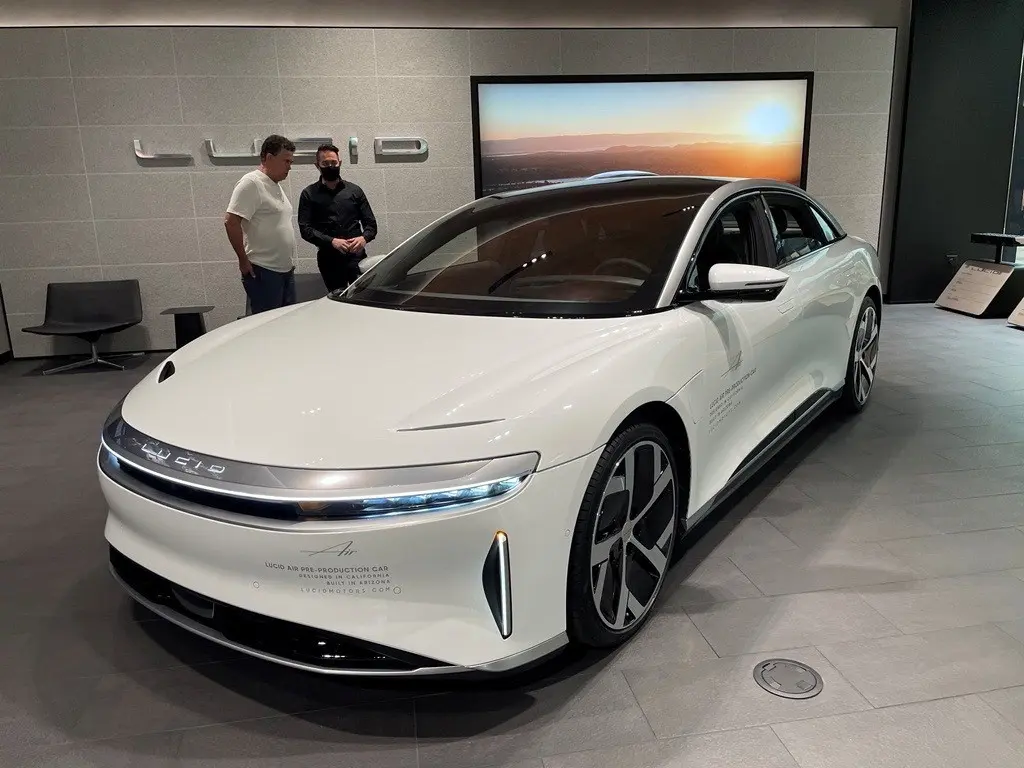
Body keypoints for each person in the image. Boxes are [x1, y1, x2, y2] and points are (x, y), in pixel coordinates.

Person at [224, 135, 297, 314]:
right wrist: (243, 260)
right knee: (268, 327)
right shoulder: (251, 183)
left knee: (287, 325)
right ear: (269, 158)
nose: (290, 166)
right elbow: (231, 222)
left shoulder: (275, 185)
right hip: (263, 271)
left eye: (291, 161)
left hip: (285, 269)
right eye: (286, 161)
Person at [297, 143, 379, 291]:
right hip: (328, 259)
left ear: (339, 163)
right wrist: (332, 241)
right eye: (325, 163)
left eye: (333, 163)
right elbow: (305, 229)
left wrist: (363, 238)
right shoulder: (308, 194)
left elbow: (371, 225)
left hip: (357, 257)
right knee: (336, 302)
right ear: (317, 165)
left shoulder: (355, 190)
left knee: (361, 299)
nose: (330, 166)